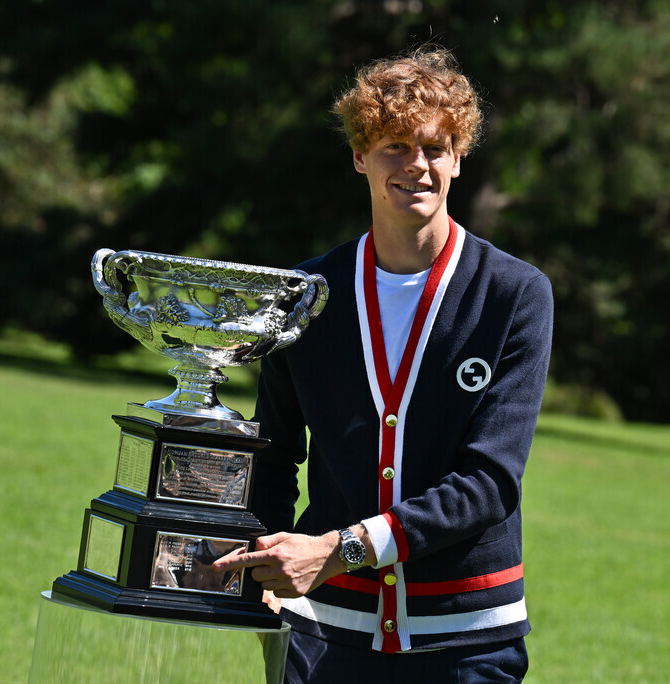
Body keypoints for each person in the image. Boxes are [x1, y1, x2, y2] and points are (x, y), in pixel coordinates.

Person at [212, 46, 553, 682]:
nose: (416, 165)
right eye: (394, 146)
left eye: (434, 147)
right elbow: (274, 450)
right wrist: (254, 563)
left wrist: (341, 551)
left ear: (458, 158)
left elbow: (490, 482)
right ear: (359, 155)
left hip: (464, 639)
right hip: (324, 632)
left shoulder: (515, 293)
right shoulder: (306, 293)